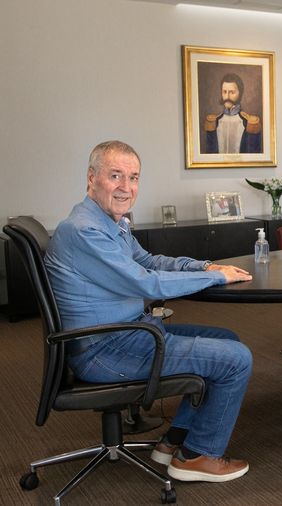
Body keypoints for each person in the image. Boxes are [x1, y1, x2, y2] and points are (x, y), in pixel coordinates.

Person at [45, 141, 254, 483]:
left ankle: (174, 442)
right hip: (104, 349)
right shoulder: (85, 231)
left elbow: (149, 261)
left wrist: (203, 265)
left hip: (128, 332)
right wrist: (213, 277)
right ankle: (197, 456)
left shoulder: (110, 222)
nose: (126, 187)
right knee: (236, 358)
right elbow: (147, 283)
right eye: (115, 176)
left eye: (133, 177)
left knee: (225, 337)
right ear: (91, 178)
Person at [204, 73, 262, 154]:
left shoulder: (250, 123)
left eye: (232, 92)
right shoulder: (213, 122)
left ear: (240, 93)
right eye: (224, 92)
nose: (227, 96)